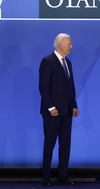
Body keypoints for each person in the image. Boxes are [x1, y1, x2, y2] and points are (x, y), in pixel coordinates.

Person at [39, 33, 79, 186]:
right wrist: (51, 107)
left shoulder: (68, 62)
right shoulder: (47, 61)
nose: (71, 47)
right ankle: (46, 177)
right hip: (52, 112)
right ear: (60, 44)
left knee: (65, 145)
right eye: (69, 44)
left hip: (67, 111)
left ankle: (62, 176)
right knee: (49, 144)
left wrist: (74, 105)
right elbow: (43, 87)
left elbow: (71, 87)